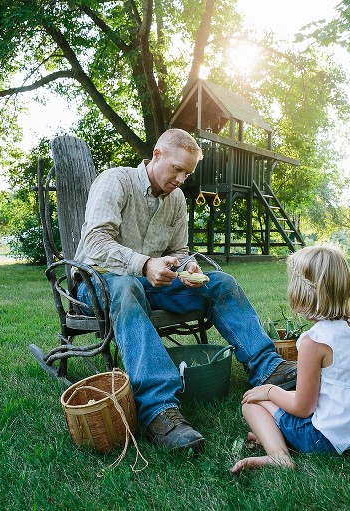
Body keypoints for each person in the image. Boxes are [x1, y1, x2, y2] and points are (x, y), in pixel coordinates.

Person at [73, 128, 297, 453]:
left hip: (150, 284)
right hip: (100, 282)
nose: (181, 179)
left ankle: (268, 368)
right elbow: (95, 243)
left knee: (221, 283)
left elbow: (178, 251)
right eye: (177, 169)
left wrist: (184, 268)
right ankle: (158, 409)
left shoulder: (176, 199)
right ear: (157, 155)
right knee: (126, 286)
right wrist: (145, 264)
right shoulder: (115, 181)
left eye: (187, 173)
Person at [230, 245, 350, 473]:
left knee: (252, 403)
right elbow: (327, 390)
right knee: (280, 400)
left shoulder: (314, 341)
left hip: (325, 438)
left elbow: (303, 408)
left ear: (303, 291)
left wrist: (268, 391)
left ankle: (279, 456)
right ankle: (276, 434)